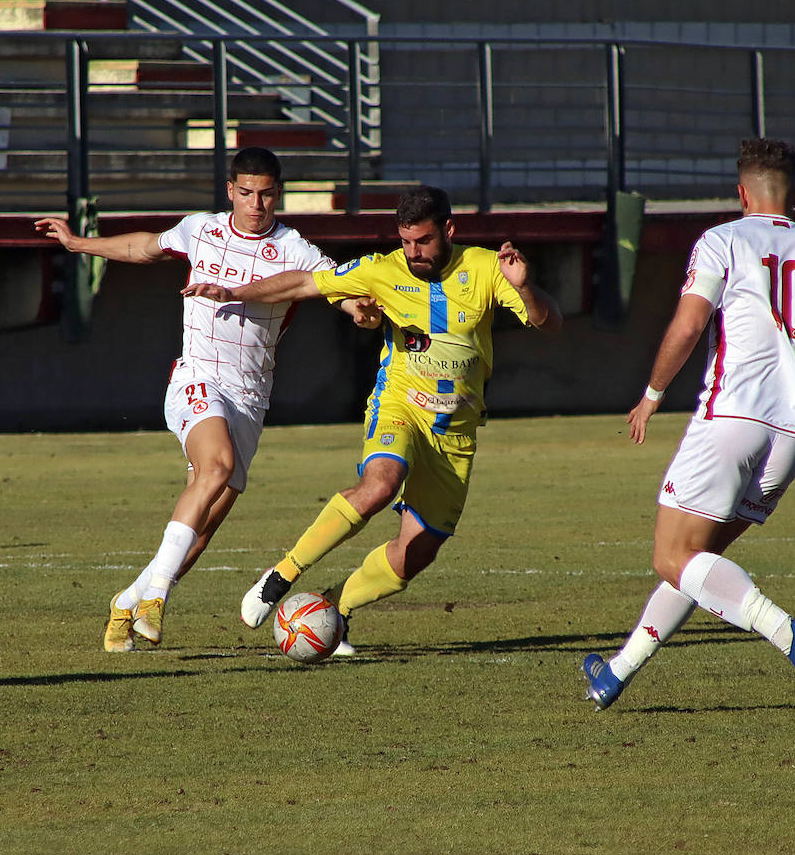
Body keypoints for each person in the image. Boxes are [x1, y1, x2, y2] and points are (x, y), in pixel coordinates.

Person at [581, 138, 795, 714]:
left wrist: (652, 394)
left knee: (672, 558)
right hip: (794, 436)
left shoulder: (722, 240)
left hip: (732, 419)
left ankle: (788, 633)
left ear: (741, 193)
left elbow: (688, 324)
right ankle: (617, 671)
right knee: (699, 564)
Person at [182, 185, 562, 653]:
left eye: (422, 241)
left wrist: (523, 284)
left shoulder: (486, 267)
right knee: (381, 483)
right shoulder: (382, 269)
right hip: (400, 405)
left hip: (456, 431)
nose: (413, 252)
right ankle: (282, 575)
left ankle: (333, 608)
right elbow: (303, 282)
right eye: (405, 241)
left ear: (448, 229)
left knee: (416, 554)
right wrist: (234, 292)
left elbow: (550, 322)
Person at [34, 147, 379, 653]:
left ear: (276, 194)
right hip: (197, 379)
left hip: (250, 400)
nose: (256, 204)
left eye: (265, 194)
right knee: (215, 467)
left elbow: (335, 288)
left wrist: (359, 311)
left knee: (201, 529)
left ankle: (127, 601)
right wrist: (77, 242)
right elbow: (143, 247)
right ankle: (155, 599)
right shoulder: (201, 229)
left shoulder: (295, 249)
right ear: (230, 192)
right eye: (246, 193)